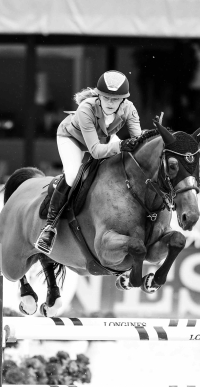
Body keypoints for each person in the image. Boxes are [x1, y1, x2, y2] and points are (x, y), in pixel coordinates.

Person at [35, 70, 142, 254]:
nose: (110, 103)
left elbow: (138, 141)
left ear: (123, 100)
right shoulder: (86, 108)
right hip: (73, 138)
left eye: (115, 99)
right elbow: (96, 151)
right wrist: (123, 145)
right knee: (72, 175)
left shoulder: (129, 109)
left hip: (103, 138)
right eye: (106, 98)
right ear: (99, 96)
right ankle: (50, 227)